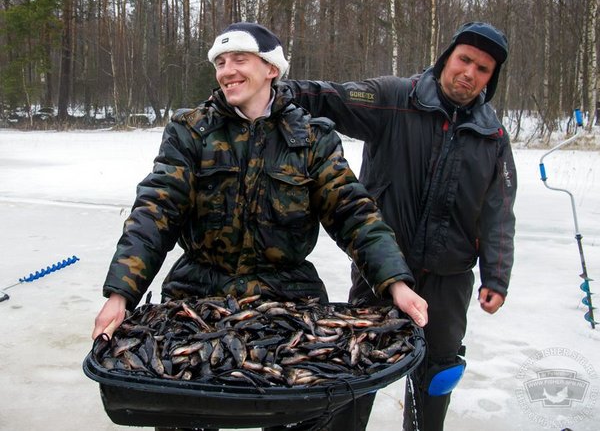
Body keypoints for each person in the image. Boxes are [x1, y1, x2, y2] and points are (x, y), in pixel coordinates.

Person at [91, 22, 428, 431]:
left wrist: (395, 282)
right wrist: (121, 293)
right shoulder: (190, 130)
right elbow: (155, 210)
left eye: (239, 59)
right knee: (183, 410)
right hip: (198, 295)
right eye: (220, 61)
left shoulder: (311, 137)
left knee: (299, 413)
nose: (226, 70)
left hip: (288, 296)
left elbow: (354, 213)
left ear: (271, 68)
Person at [285, 21, 517, 431]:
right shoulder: (395, 98)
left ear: (491, 77)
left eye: (482, 69)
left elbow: (498, 211)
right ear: (447, 58)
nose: (469, 73)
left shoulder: (492, 134)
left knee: (439, 371)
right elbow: (333, 98)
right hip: (381, 268)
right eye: (464, 60)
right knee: (359, 362)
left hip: (450, 278)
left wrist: (496, 276)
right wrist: (276, 89)